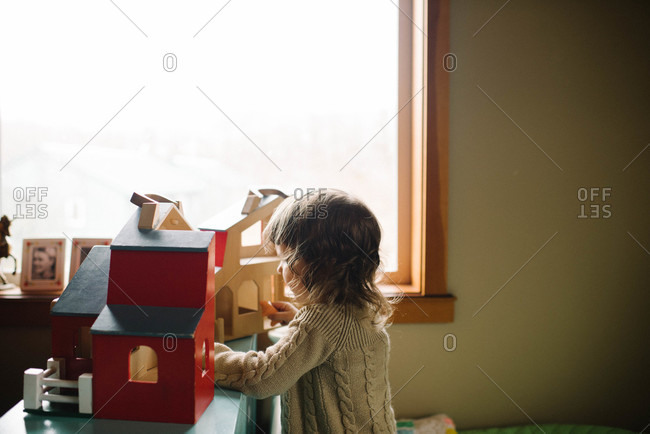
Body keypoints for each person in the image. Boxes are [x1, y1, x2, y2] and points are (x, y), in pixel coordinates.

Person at [214, 189, 398, 433]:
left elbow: (263, 378)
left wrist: (208, 357)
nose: (280, 270)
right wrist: (295, 319)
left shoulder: (318, 322)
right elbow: (334, 342)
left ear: (323, 263)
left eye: (286, 260)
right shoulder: (362, 307)